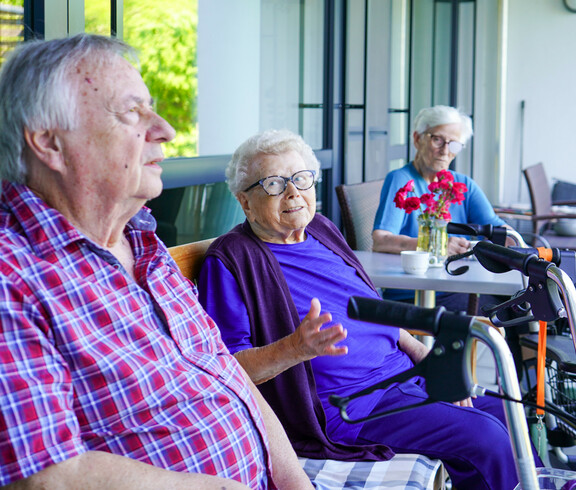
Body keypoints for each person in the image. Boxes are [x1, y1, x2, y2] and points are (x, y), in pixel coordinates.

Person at [0, 35, 314, 490]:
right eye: (133, 112)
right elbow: (47, 476)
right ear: (49, 143)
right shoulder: (13, 275)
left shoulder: (145, 247)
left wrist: (297, 484)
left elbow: (227, 376)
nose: (164, 128)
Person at [197, 128, 543, 490]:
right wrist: (295, 348)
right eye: (273, 184)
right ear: (245, 201)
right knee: (485, 438)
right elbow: (226, 368)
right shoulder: (232, 260)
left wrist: (423, 353)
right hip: (353, 406)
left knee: (508, 412)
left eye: (301, 179)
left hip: (403, 377)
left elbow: (374, 309)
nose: (293, 193)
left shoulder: (321, 230)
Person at [372, 105, 512, 311]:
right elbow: (380, 240)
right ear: (417, 139)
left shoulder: (464, 185)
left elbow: (499, 230)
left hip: (459, 285)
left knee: (524, 307)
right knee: (504, 314)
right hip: (413, 293)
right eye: (437, 139)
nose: (445, 151)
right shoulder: (401, 179)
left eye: (454, 144)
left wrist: (519, 247)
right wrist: (433, 245)